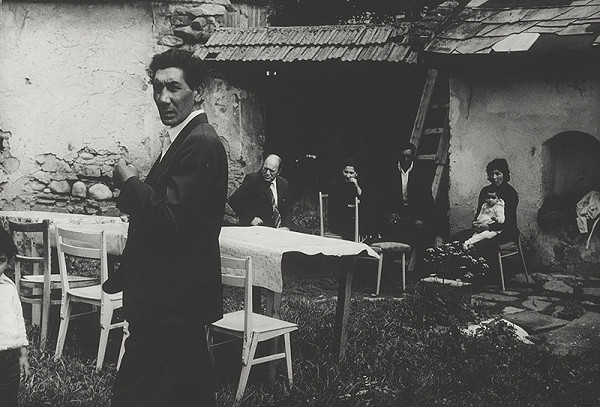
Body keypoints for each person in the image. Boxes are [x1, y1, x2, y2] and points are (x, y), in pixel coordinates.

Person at [103, 49, 228, 407]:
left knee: (134, 394)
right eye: (157, 88)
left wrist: (130, 182)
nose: (163, 98)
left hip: (170, 303)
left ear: (198, 92)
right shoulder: (184, 138)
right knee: (188, 393)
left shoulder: (199, 142)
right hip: (175, 298)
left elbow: (172, 220)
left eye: (174, 87)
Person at [454, 158, 519, 260]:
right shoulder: (485, 191)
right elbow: (480, 213)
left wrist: (488, 227)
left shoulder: (510, 193)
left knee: (478, 246)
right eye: (491, 174)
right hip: (483, 229)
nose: (494, 177)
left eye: (497, 173)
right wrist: (476, 224)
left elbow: (508, 222)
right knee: (456, 240)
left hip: (505, 231)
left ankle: (484, 269)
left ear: (504, 174)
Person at [379, 142, 436, 251]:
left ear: (413, 157)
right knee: (391, 232)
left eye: (408, 156)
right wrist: (390, 213)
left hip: (415, 211)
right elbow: (384, 197)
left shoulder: (421, 173)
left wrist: (421, 218)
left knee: (419, 234)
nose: (405, 159)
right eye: (403, 156)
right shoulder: (390, 172)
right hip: (397, 210)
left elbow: (426, 199)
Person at [0, 228, 30, 407]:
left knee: (9, 399)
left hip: (9, 359)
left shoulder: (9, 287)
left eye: (1, 261)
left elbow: (18, 320)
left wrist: (23, 354)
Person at [229, 154, 291, 230]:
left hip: (278, 230)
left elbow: (287, 208)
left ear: (279, 171)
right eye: (265, 169)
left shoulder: (283, 183)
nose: (267, 173)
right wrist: (251, 218)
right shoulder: (252, 180)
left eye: (272, 171)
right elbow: (234, 200)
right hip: (257, 229)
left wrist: (286, 226)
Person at [327, 157, 374, 241]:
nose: (348, 175)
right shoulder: (336, 184)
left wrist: (356, 186)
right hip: (340, 219)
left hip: (355, 218)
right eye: (345, 172)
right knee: (352, 226)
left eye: (351, 173)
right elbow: (335, 205)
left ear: (356, 174)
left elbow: (366, 200)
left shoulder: (359, 184)